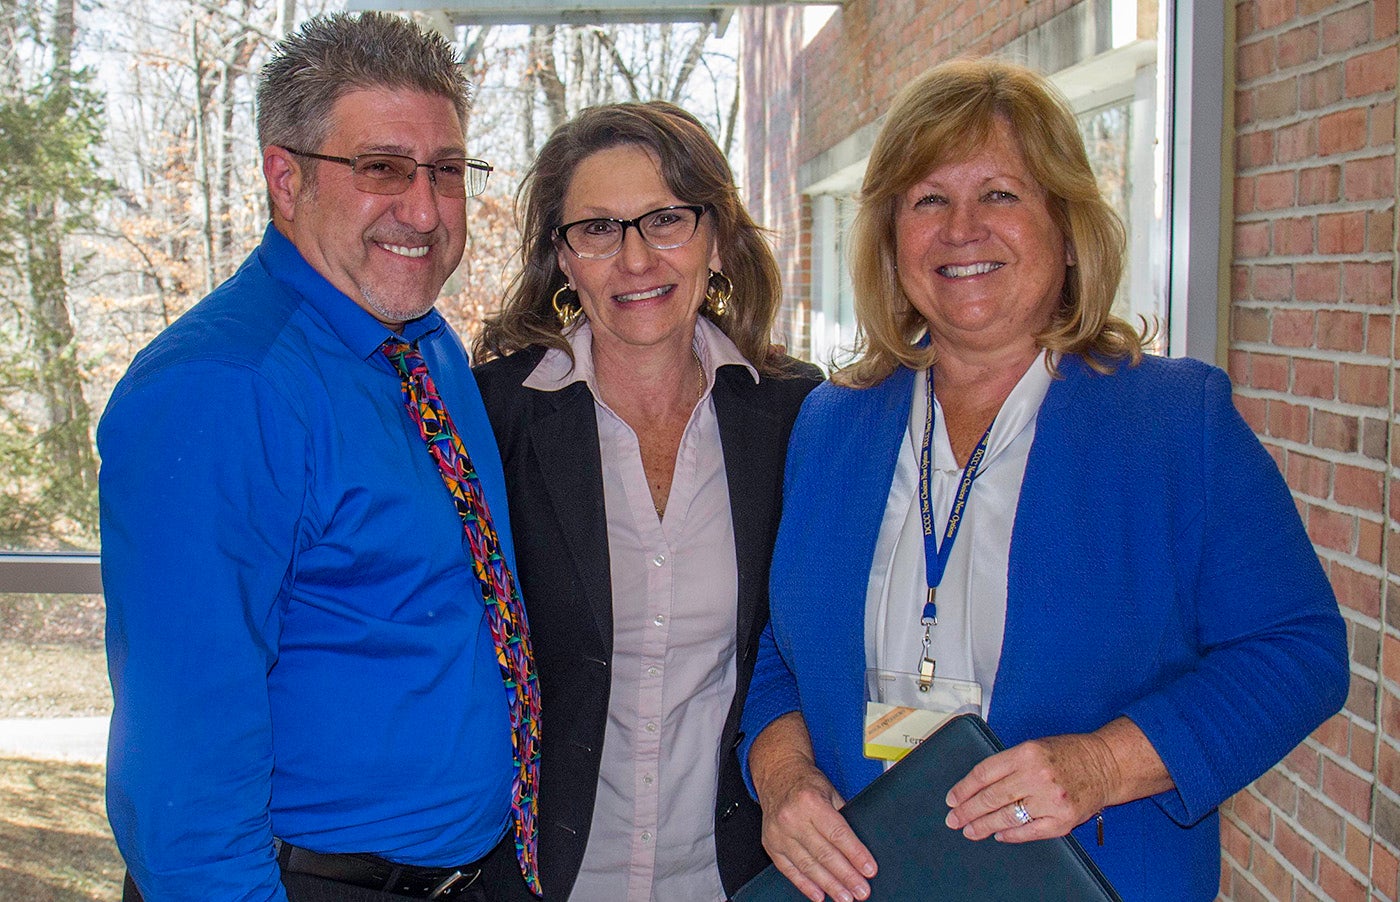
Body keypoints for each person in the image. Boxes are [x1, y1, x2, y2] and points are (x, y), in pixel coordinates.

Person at [739, 58, 1349, 902]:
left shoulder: (1174, 421)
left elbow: (1299, 652)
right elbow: (783, 648)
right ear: (889, 239)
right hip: (868, 881)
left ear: (1066, 231)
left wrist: (1103, 765)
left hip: (1094, 874)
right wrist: (783, 778)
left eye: (1000, 194)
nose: (962, 229)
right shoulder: (833, 422)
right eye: (927, 200)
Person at [100, 13, 539, 902]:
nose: (423, 209)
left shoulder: (428, 348)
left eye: (446, 171)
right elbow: (180, 777)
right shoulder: (222, 389)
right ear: (285, 178)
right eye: (382, 168)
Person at [472, 101, 821, 902]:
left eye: (665, 219)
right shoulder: (496, 419)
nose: (634, 259)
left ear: (716, 238)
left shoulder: (800, 418)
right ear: (561, 259)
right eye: (596, 229)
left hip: (736, 877)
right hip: (535, 878)